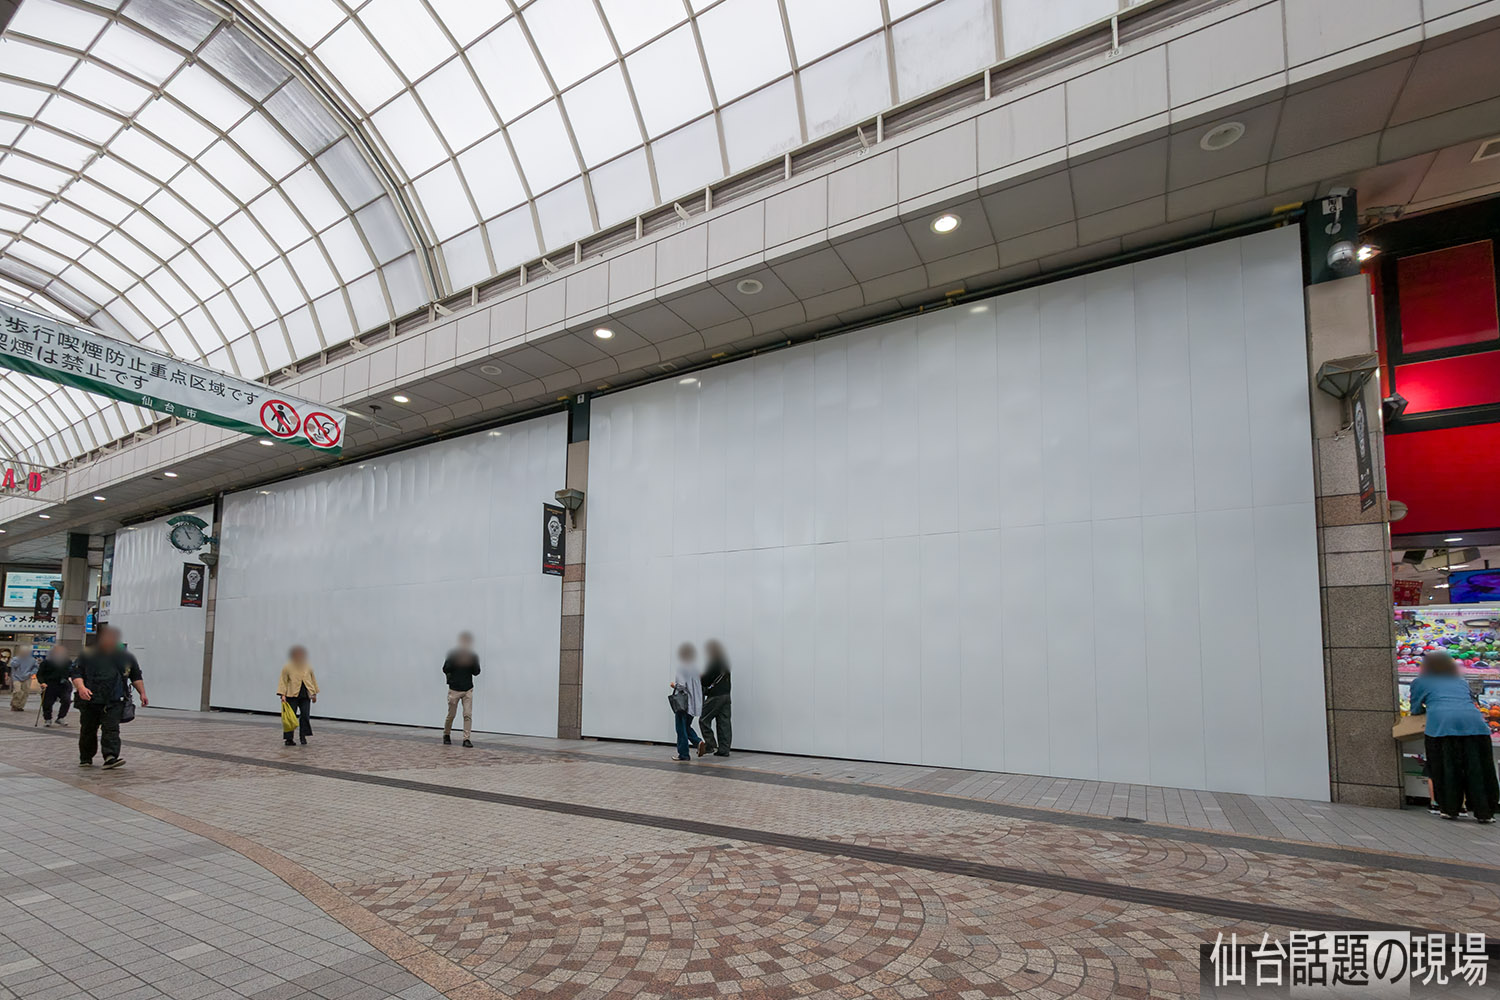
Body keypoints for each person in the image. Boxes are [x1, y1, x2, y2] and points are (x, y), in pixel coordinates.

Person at [1410, 651, 1499, 823]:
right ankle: (1485, 811)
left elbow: (1415, 708)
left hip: (1442, 727)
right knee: (1479, 769)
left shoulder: (1421, 682)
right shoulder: (1460, 681)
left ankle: (1450, 808)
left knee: (1447, 768)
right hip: (1476, 726)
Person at [71, 626, 146, 769]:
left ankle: (110, 756)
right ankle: (86, 757)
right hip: (90, 699)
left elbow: (136, 676)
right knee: (88, 729)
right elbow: (76, 673)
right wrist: (81, 688)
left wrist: (142, 693)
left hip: (115, 699)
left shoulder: (125, 657)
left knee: (111, 729)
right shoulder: (87, 655)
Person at [442, 631, 481, 748]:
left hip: (468, 689)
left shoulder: (472, 656)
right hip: (454, 689)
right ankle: (446, 734)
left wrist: (472, 663)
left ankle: (466, 739)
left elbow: (477, 672)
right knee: (451, 714)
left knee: (467, 714)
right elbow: (445, 668)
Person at [277, 646, 319, 747]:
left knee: (305, 716)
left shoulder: (308, 666)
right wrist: (283, 695)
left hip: (305, 695)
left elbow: (312, 680)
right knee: (290, 718)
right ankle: (289, 738)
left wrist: (314, 693)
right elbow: (283, 681)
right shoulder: (287, 667)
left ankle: (303, 736)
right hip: (291, 695)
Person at [669, 642, 704, 762]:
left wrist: (673, 685)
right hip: (694, 704)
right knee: (686, 726)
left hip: (683, 703)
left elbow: (681, 685)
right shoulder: (695, 668)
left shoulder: (682, 667)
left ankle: (684, 754)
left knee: (680, 728)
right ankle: (698, 742)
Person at [698, 640, 733, 758]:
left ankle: (710, 745)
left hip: (715, 696)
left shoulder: (713, 662)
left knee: (703, 719)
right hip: (726, 695)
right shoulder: (725, 663)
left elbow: (706, 680)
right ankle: (724, 749)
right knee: (724, 723)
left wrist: (700, 677)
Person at [38, 642, 74, 727]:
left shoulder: (68, 662)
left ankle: (61, 717)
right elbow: (40, 674)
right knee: (47, 703)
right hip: (50, 684)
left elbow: (72, 672)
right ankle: (48, 719)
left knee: (66, 700)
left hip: (63, 684)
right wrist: (42, 682)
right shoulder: (46, 662)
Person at [9, 648, 37, 712]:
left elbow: (36, 667)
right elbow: (13, 665)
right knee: (17, 691)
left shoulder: (32, 659)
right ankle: (14, 705)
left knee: (25, 692)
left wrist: (31, 673)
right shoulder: (15, 658)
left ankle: (20, 706)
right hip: (16, 677)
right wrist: (20, 659)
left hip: (27, 677)